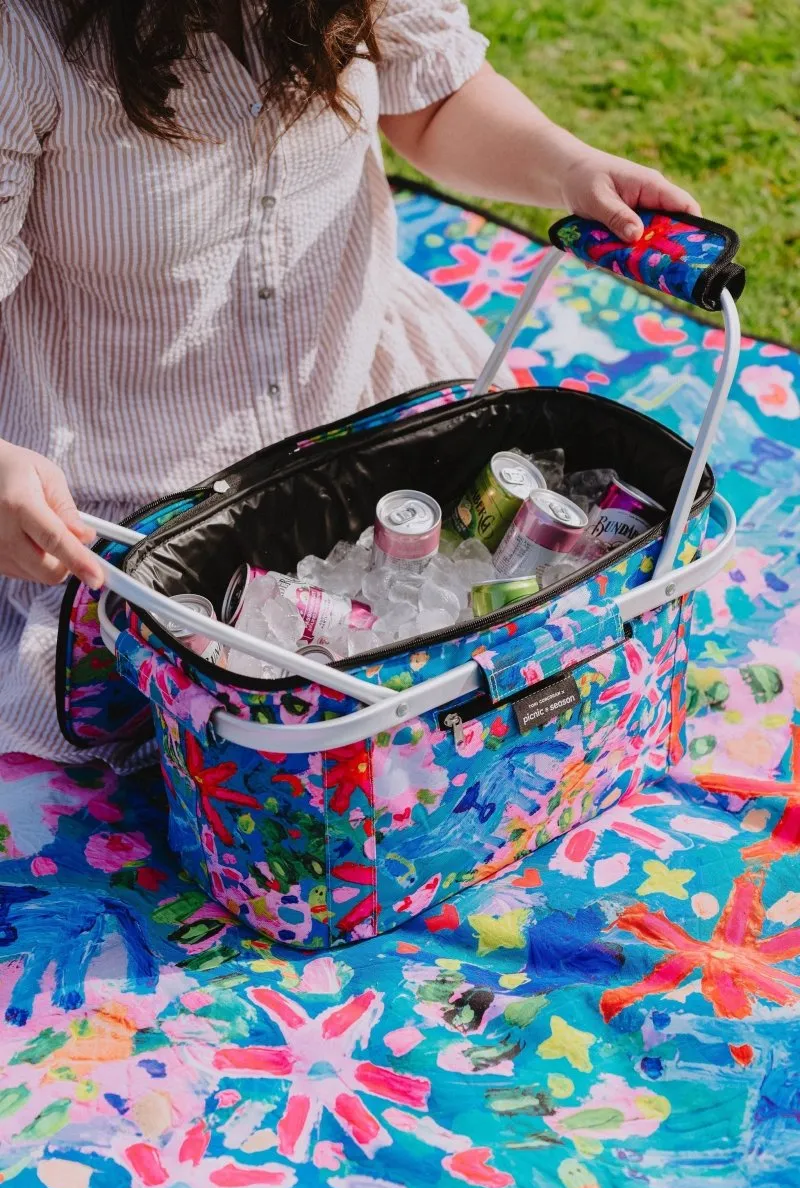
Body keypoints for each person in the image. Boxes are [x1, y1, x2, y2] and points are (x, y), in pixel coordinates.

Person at [0, 0, 699, 765]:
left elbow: (432, 101)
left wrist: (570, 169)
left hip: (369, 404)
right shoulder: (21, 33)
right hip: (135, 496)